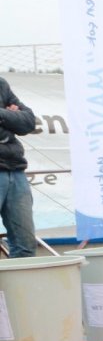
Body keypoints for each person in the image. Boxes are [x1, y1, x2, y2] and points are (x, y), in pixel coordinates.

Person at [0, 77, 37, 259]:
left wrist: (3, 116)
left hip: (15, 170)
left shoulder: (1, 84)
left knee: (26, 245)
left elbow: (29, 121)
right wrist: (9, 117)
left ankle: (22, 279)